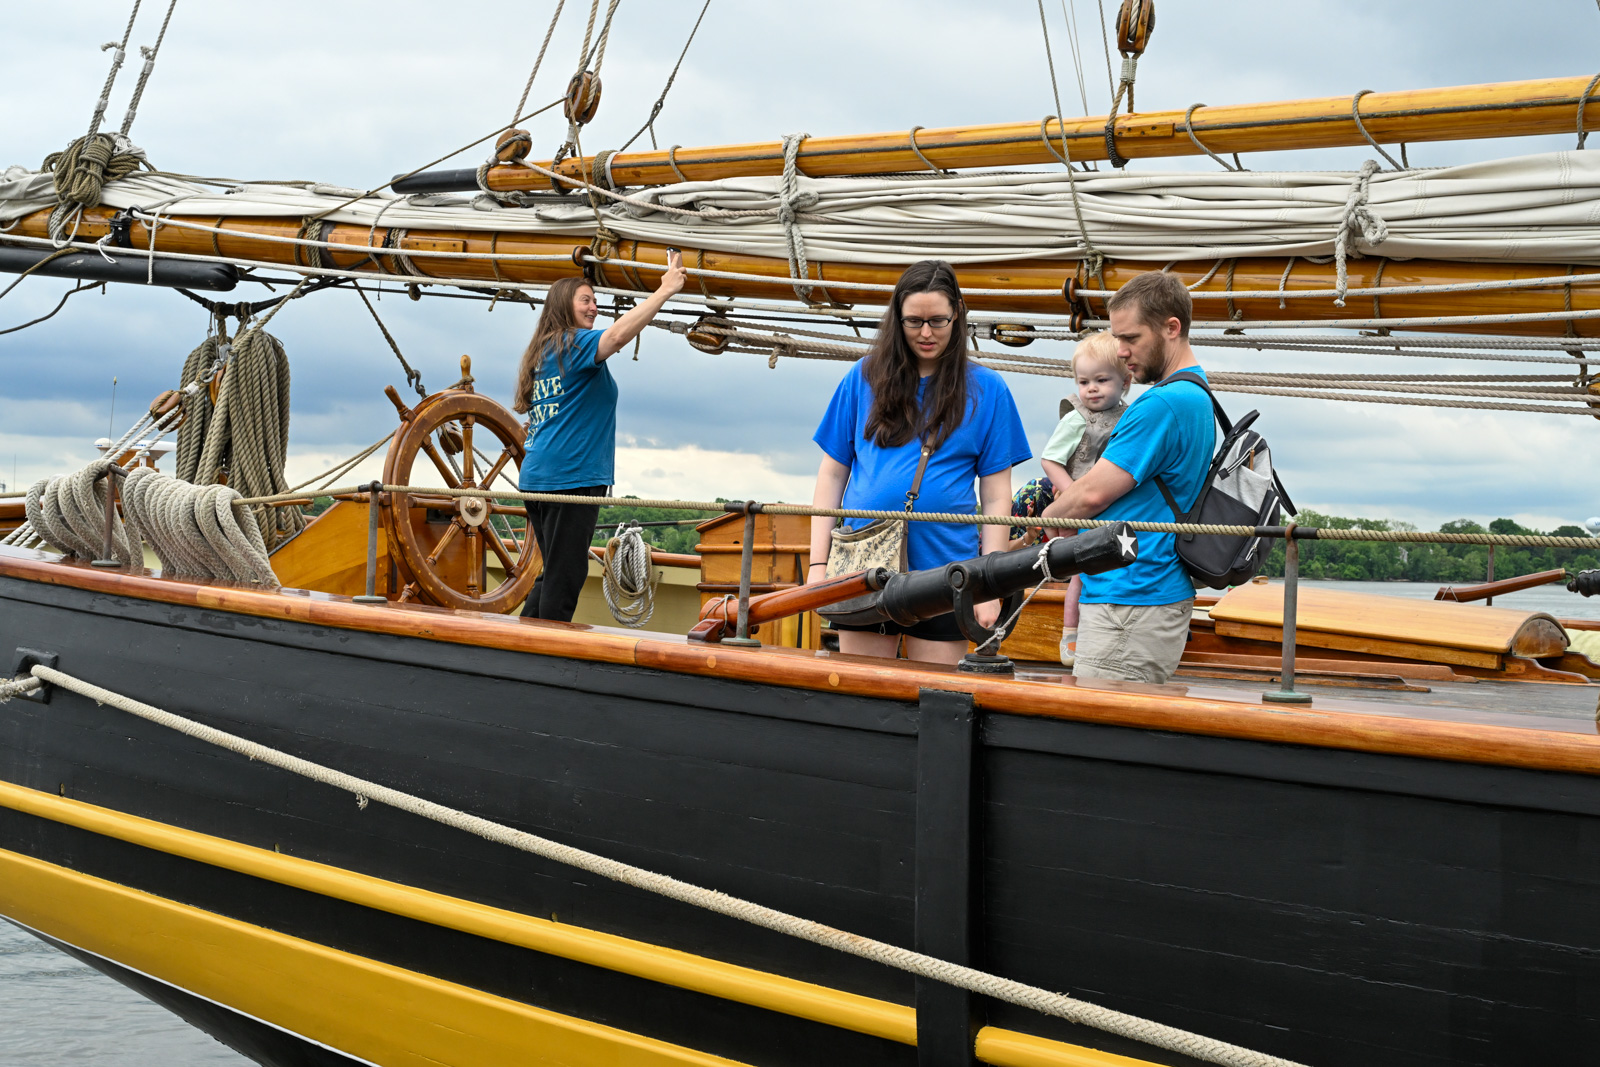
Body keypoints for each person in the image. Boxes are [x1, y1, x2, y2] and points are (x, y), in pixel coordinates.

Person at [808, 259, 1032, 664]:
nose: (926, 333)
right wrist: (817, 566)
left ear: (958, 313)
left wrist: (990, 584)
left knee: (934, 701)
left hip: (948, 574)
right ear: (897, 318)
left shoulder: (990, 390)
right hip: (863, 568)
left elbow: (998, 496)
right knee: (865, 698)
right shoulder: (861, 378)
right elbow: (832, 473)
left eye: (937, 320)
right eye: (913, 322)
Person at [1040, 271, 1214, 684]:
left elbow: (1090, 495)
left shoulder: (1163, 403)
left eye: (1131, 338)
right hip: (1145, 593)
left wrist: (1046, 518)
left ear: (1172, 328)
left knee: (1097, 731)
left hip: (1130, 600)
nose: (1120, 352)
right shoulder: (1198, 394)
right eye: (1117, 339)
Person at [513, 253, 686, 621]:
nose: (594, 307)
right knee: (566, 575)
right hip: (571, 479)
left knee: (554, 572)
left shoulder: (543, 351)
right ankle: (542, 658)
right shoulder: (573, 344)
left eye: (594, 300)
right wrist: (665, 290)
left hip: (537, 478)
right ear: (565, 307)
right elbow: (618, 335)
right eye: (585, 300)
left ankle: (521, 642)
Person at [1008, 331, 1131, 667]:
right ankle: (1071, 634)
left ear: (1126, 382)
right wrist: (1071, 495)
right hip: (1077, 507)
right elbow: (1050, 459)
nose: (1091, 388)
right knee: (1079, 571)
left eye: (1102, 380)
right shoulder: (1077, 417)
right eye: (1084, 381)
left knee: (1095, 567)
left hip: (1108, 506)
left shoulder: (1130, 417)